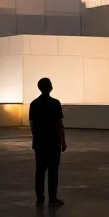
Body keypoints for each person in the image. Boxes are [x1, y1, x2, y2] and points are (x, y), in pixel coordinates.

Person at [28, 77, 66, 206]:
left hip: (40, 142)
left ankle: (40, 197)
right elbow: (58, 124)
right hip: (53, 141)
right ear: (50, 87)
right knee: (53, 170)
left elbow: (32, 124)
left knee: (40, 170)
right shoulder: (55, 103)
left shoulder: (34, 104)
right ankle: (52, 197)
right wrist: (63, 140)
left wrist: (36, 138)